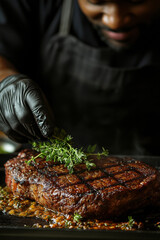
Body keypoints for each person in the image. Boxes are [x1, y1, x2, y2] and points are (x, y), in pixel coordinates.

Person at [0, 0, 160, 156]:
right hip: (46, 159)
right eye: (96, 2)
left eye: (136, 1)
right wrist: (5, 80)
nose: (114, 21)